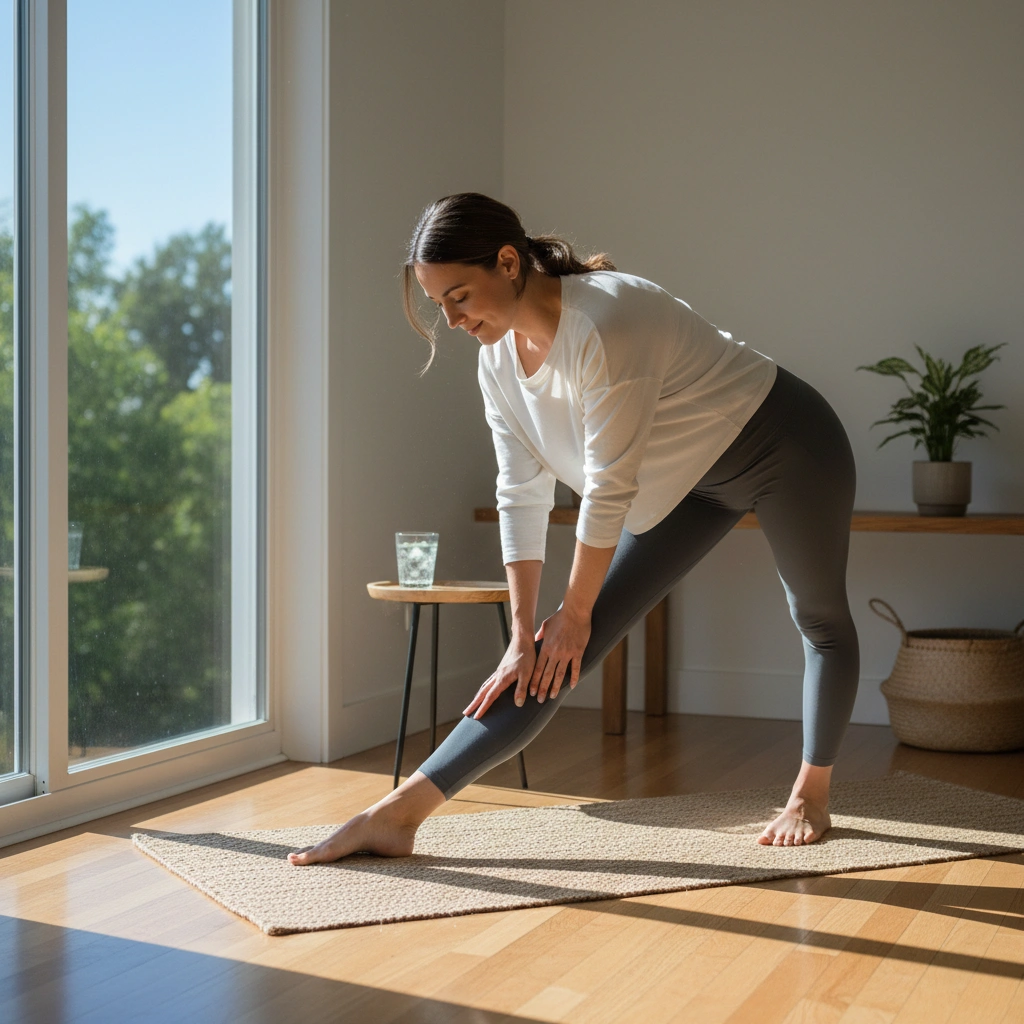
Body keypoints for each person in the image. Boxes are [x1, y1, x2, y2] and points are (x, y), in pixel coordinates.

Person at [288, 192, 858, 865]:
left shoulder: (609, 320)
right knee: (547, 657)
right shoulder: (496, 361)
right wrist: (524, 632)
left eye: (460, 296)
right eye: (439, 303)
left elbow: (607, 487)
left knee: (818, 618)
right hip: (683, 487)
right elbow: (521, 491)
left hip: (785, 445)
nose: (452, 319)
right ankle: (399, 812)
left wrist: (576, 610)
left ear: (507, 262)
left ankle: (811, 793)